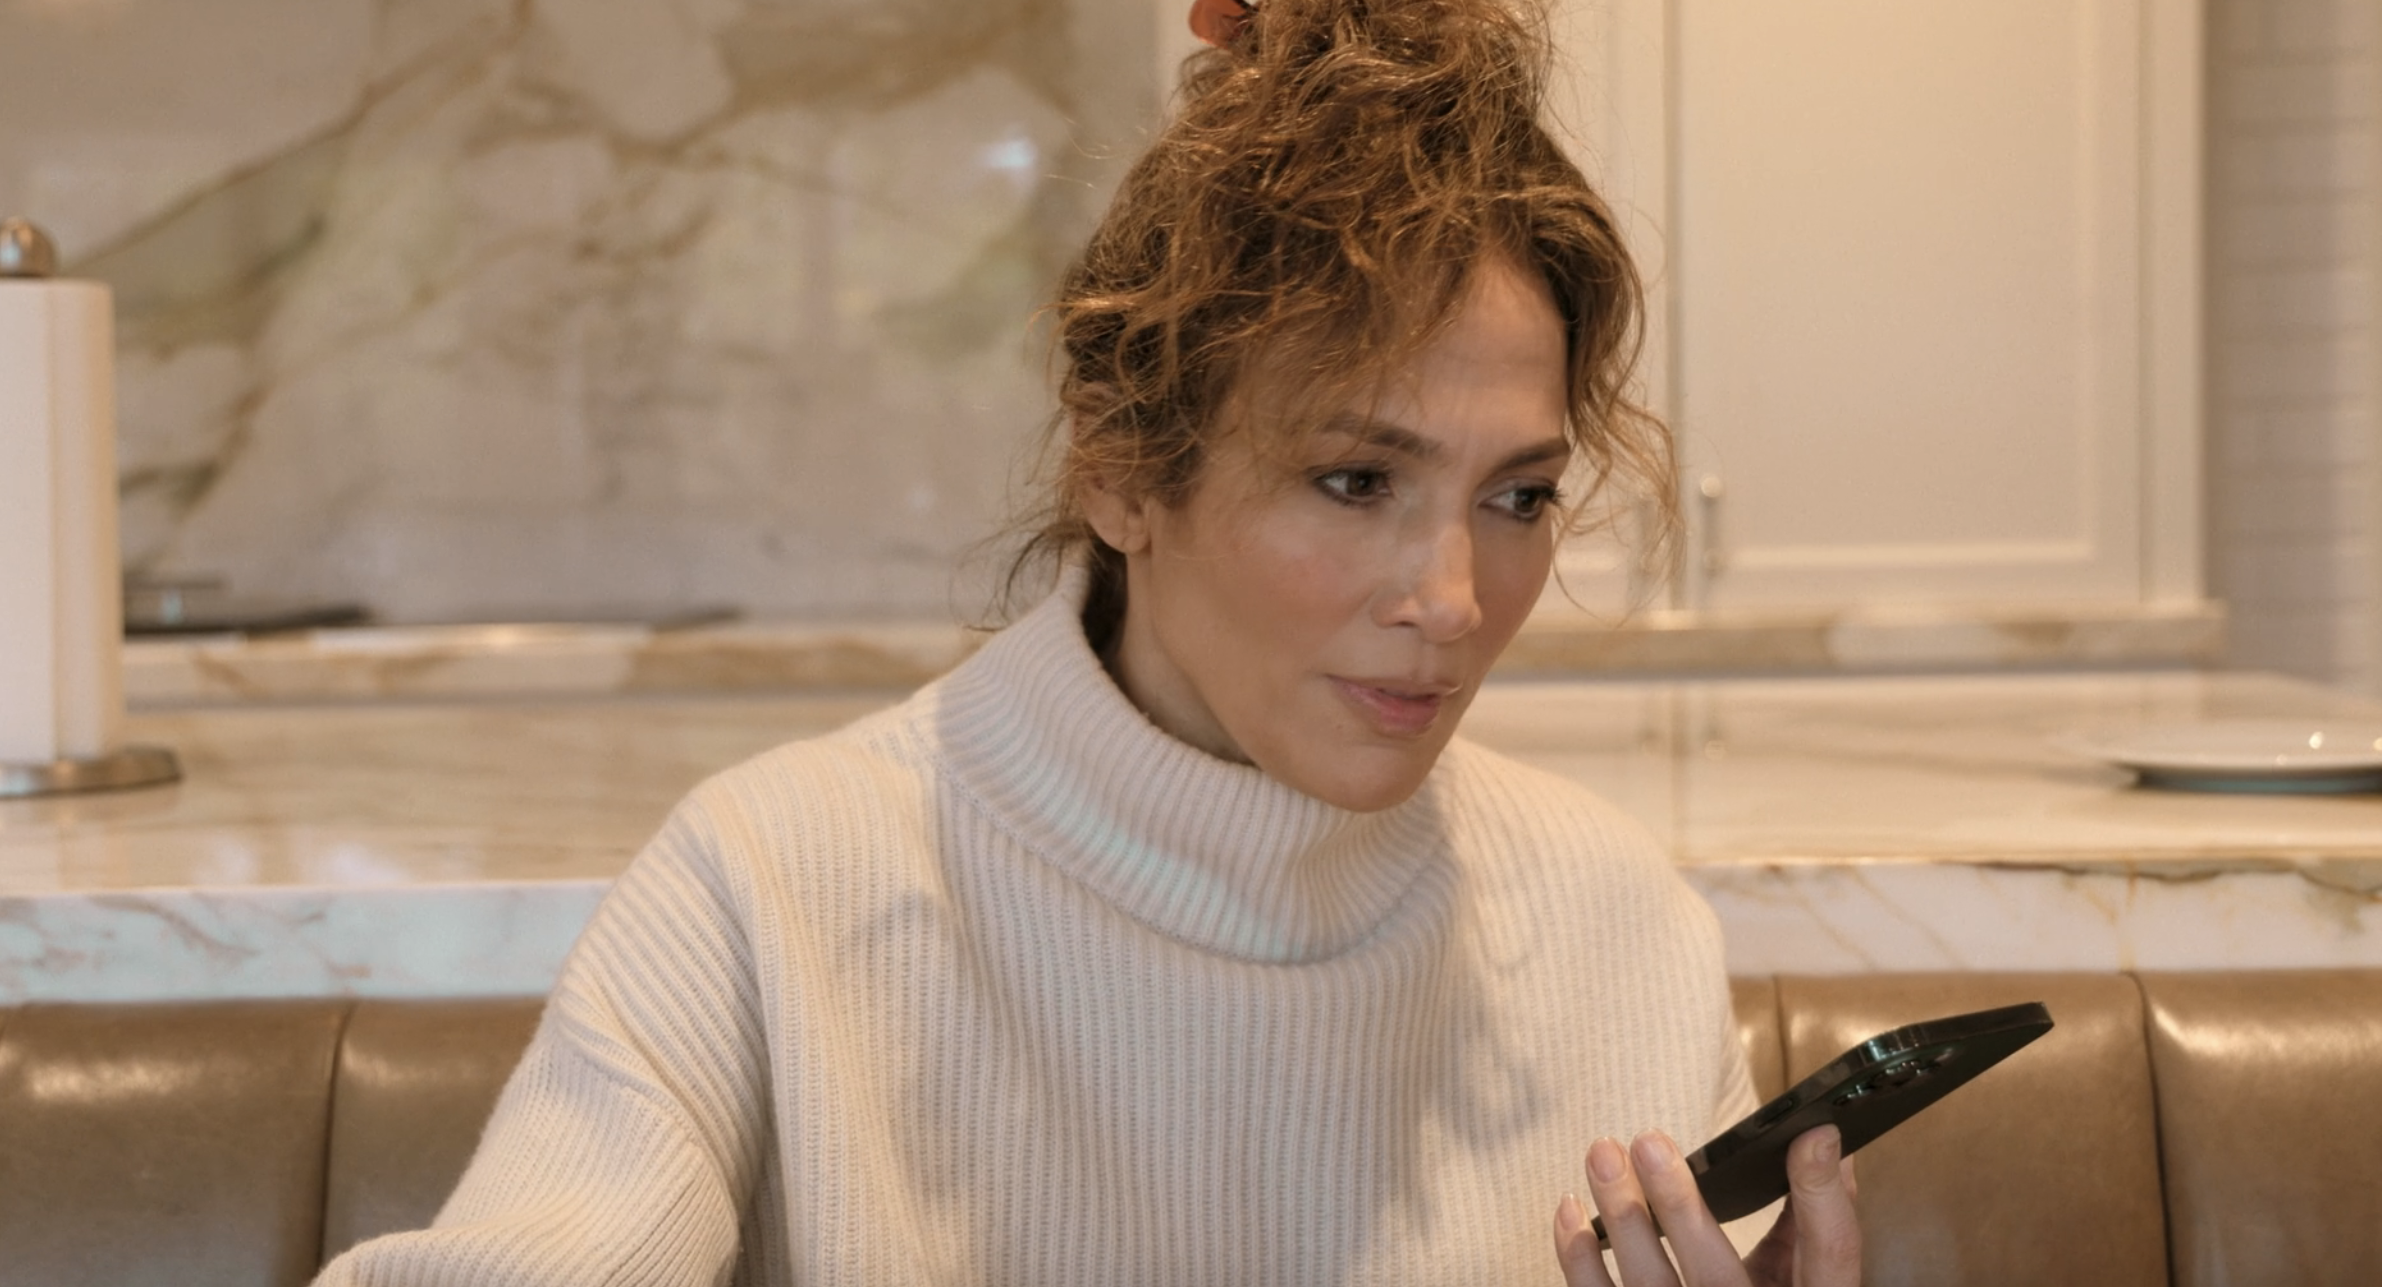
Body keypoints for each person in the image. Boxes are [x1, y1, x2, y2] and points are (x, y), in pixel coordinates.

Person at [314, 0, 1861, 1282]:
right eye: (1354, 480)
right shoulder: (771, 886)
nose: (1453, 597)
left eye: (1516, 495)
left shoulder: (1614, 930)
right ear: (1121, 466)